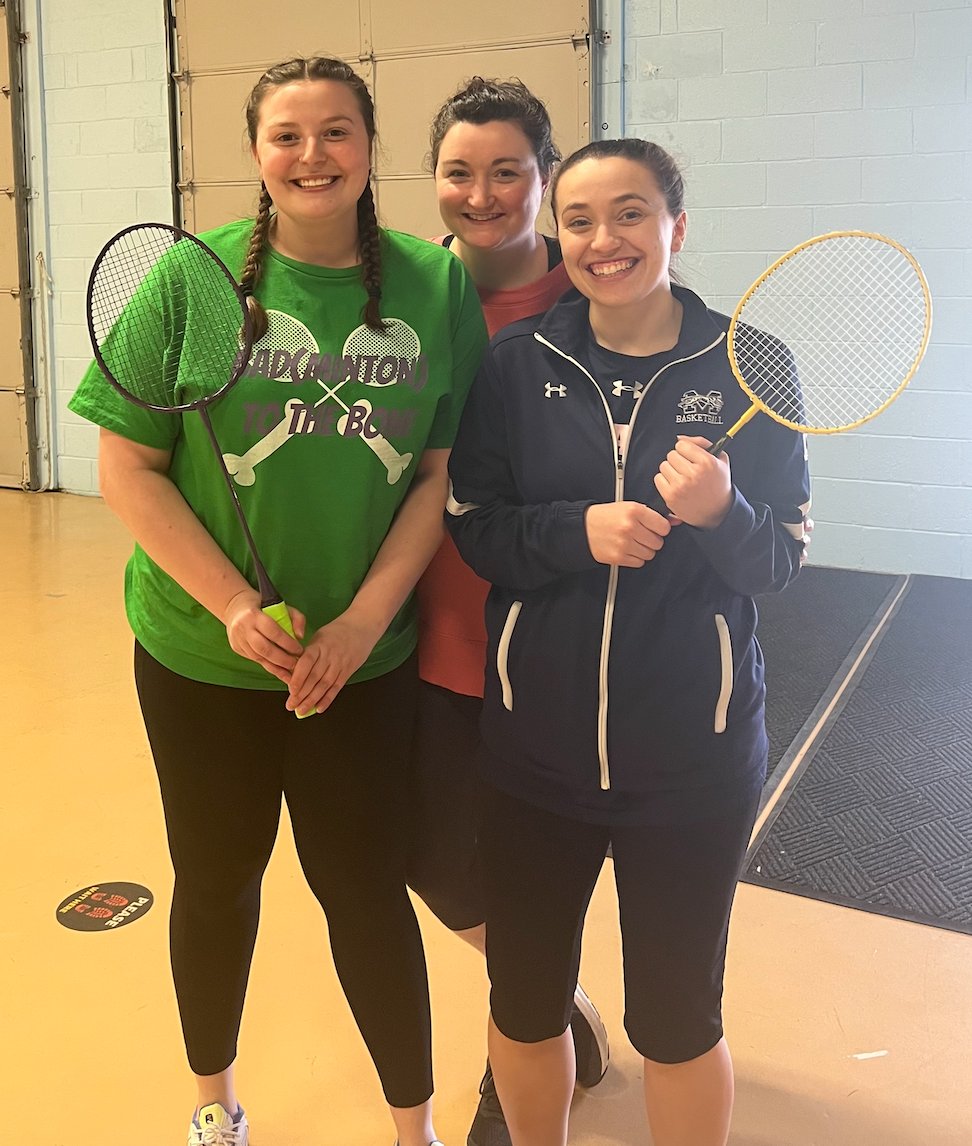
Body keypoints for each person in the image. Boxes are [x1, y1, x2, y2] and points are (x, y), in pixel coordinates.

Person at [69, 56, 486, 1146]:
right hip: (205, 660)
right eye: (289, 135)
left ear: (369, 146)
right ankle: (215, 1105)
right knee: (215, 884)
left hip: (360, 661)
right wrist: (230, 607)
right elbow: (129, 468)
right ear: (257, 153)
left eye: (337, 132)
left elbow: (439, 472)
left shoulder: (436, 286)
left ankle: (413, 1128)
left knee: (363, 893)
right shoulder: (188, 284)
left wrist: (357, 624)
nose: (313, 156)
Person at [444, 138, 812, 1146]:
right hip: (534, 762)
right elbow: (474, 520)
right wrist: (579, 530)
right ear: (557, 236)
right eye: (579, 219)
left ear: (676, 228)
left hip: (693, 764)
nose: (604, 240)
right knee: (523, 1002)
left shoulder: (753, 365)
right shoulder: (519, 365)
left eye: (632, 213)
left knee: (677, 1022)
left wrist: (722, 511)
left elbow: (779, 560)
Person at [407, 78, 609, 1146]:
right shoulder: (401, 298)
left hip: (553, 659)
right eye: (459, 170)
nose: (482, 194)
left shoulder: (600, 299)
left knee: (535, 883)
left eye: (508, 171)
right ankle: (558, 1004)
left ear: (544, 176)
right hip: (426, 644)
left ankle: (519, 1076)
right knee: (430, 856)